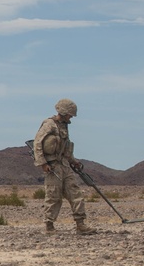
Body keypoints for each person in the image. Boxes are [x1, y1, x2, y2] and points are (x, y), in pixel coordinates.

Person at [32, 98, 96, 234]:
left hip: (65, 165)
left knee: (75, 193)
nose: (71, 117)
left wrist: (73, 161)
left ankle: (81, 225)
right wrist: (43, 163)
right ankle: (49, 226)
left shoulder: (64, 126)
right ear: (63, 112)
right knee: (53, 196)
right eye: (70, 115)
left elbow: (65, 148)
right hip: (53, 166)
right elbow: (37, 143)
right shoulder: (49, 124)